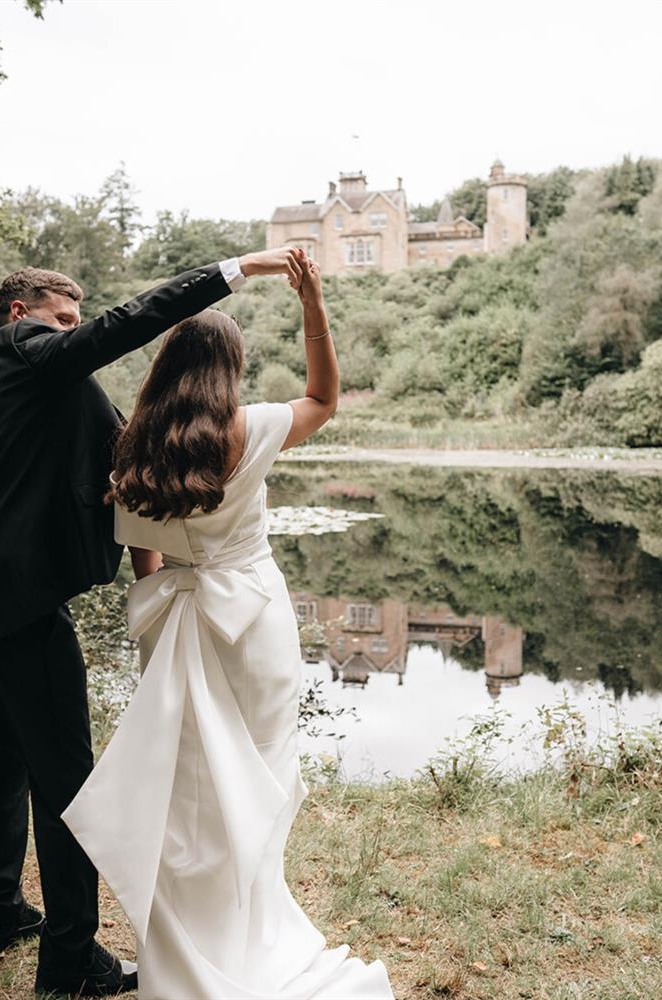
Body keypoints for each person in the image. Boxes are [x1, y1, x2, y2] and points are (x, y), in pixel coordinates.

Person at [0, 246, 309, 997]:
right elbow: (124, 326)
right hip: (18, 608)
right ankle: (71, 956)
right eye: (63, 319)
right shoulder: (27, 353)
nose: (73, 332)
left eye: (74, 321)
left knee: (7, 757)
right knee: (68, 780)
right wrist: (235, 270)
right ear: (21, 316)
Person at [63, 258, 395, 998]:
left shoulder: (133, 444)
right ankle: (248, 931)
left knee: (186, 791)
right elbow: (323, 397)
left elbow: (141, 551)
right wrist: (314, 304)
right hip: (254, 621)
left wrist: (165, 614)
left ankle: (187, 940)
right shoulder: (253, 428)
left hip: (176, 619)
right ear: (231, 369)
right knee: (262, 776)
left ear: (168, 367)